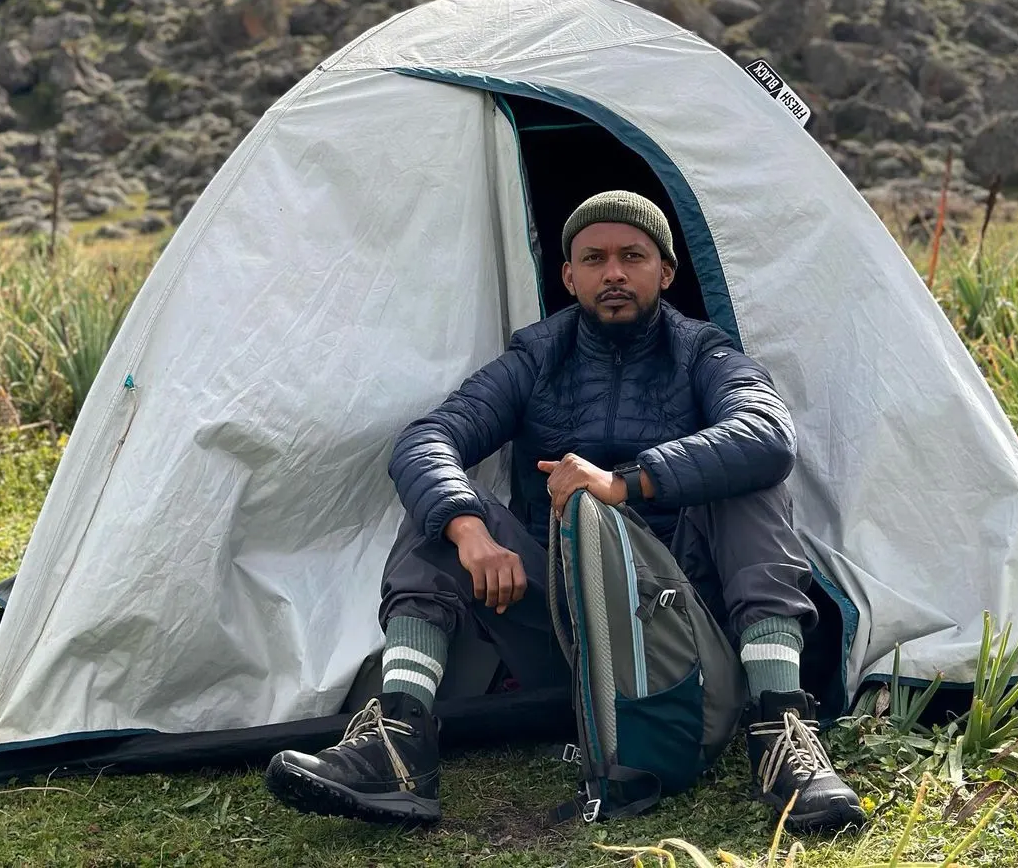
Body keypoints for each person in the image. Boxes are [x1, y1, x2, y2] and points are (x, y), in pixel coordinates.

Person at [265, 191, 865, 832]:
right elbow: (427, 438)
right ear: (568, 277)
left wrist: (625, 481)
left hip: (690, 634)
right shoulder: (537, 357)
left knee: (749, 482)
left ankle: (780, 733)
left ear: (664, 272)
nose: (613, 273)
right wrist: (469, 529)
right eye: (594, 258)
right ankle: (398, 743)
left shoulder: (702, 353)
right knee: (439, 507)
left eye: (632, 256)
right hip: (567, 629)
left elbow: (767, 434)